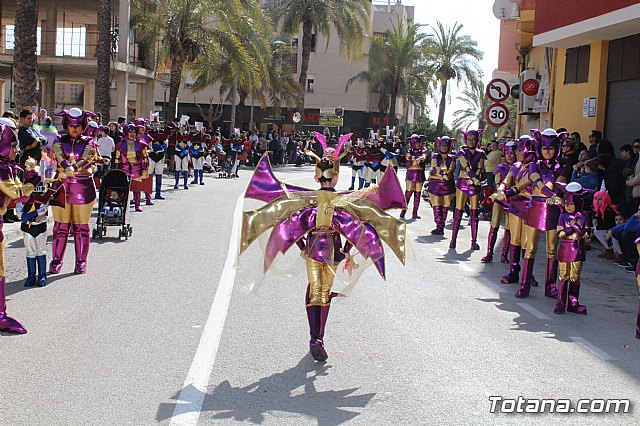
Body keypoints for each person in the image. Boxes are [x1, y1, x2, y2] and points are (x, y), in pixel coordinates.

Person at [239, 132, 406, 361]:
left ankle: (314, 338)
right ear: (335, 178)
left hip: (313, 250)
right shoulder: (346, 201)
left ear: (317, 177)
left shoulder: (306, 199)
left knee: (315, 290)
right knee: (324, 292)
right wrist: (346, 250)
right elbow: (357, 226)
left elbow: (290, 223)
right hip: (334, 250)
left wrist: (302, 245)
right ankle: (319, 338)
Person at [49, 108, 107, 275]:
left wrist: (73, 168)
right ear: (66, 125)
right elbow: (58, 154)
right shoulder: (59, 139)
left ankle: (81, 261)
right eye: (71, 126)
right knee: (60, 227)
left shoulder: (89, 142)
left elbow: (87, 158)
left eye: (78, 126)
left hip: (83, 187)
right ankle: (56, 260)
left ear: (84, 125)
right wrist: (66, 166)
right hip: (61, 186)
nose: (75, 129)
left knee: (81, 227)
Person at [0, 118, 41, 333]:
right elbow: (16, 193)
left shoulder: (7, 167)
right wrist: (32, 182)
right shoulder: (2, 169)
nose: (16, 150)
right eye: (13, 145)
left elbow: (19, 199)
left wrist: (32, 179)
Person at [554, 182, 591, 315]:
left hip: (578, 249)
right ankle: (560, 302)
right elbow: (560, 234)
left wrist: (577, 227)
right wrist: (572, 227)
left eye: (571, 203)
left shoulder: (583, 216)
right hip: (565, 249)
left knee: (575, 276)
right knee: (563, 275)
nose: (568, 206)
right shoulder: (562, 216)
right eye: (566, 203)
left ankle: (573, 302)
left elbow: (587, 235)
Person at [449, 130, 486, 250]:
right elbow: (466, 166)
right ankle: (453, 239)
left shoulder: (481, 153)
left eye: (474, 139)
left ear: (477, 140)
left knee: (474, 214)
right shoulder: (462, 152)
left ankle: (474, 241)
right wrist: (473, 178)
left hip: (475, 184)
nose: (471, 141)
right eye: (469, 139)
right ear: (466, 140)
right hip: (463, 183)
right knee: (458, 212)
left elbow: (480, 167)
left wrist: (476, 178)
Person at [482, 141, 516, 263]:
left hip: (513, 200)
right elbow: (497, 182)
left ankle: (504, 255)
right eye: (507, 153)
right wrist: (500, 192)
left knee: (508, 228)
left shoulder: (519, 168)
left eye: (512, 153)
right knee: (494, 224)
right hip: (500, 198)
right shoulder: (501, 167)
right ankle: (489, 253)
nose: (509, 156)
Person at [16, 181, 49, 288]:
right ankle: (31, 276)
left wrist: (33, 215)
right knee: (30, 252)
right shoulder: (22, 199)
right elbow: (18, 211)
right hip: (27, 228)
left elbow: (44, 209)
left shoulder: (42, 197)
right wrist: (27, 217)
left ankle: (42, 275)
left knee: (41, 251)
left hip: (40, 227)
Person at [114, 124, 150, 212]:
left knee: (137, 188)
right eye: (130, 132)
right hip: (124, 168)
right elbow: (117, 159)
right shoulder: (120, 145)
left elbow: (145, 157)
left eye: (134, 132)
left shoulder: (141, 144)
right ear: (126, 133)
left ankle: (137, 205)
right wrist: (116, 170)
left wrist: (145, 168)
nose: (132, 134)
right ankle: (122, 205)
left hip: (137, 168)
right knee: (123, 188)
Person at [425, 136, 455, 235]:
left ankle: (441, 226)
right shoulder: (435, 156)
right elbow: (435, 167)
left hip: (448, 186)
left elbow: (451, 169)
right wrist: (442, 174)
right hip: (435, 185)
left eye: (446, 145)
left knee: (445, 207)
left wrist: (445, 174)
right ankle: (439, 226)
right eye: (442, 145)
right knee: (436, 206)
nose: (444, 147)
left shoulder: (452, 158)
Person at [400, 135, 428, 220]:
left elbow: (423, 157)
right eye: (416, 143)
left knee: (417, 194)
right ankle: (403, 211)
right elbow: (408, 157)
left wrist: (415, 159)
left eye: (419, 143)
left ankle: (415, 213)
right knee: (408, 194)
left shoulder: (423, 150)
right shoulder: (409, 150)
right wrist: (417, 158)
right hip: (410, 174)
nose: (418, 144)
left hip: (420, 174)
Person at [592, 191, 618, 259]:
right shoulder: (600, 210)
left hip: (612, 230)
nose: (597, 201)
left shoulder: (608, 210)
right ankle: (608, 249)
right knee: (596, 231)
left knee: (596, 231)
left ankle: (612, 251)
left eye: (600, 199)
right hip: (607, 230)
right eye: (596, 199)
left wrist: (595, 227)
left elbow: (606, 225)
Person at [148, 130, 168, 199]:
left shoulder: (162, 132)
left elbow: (165, 143)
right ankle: (148, 194)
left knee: (159, 174)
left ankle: (158, 193)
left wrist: (162, 146)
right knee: (149, 174)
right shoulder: (148, 133)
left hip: (160, 156)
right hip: (151, 155)